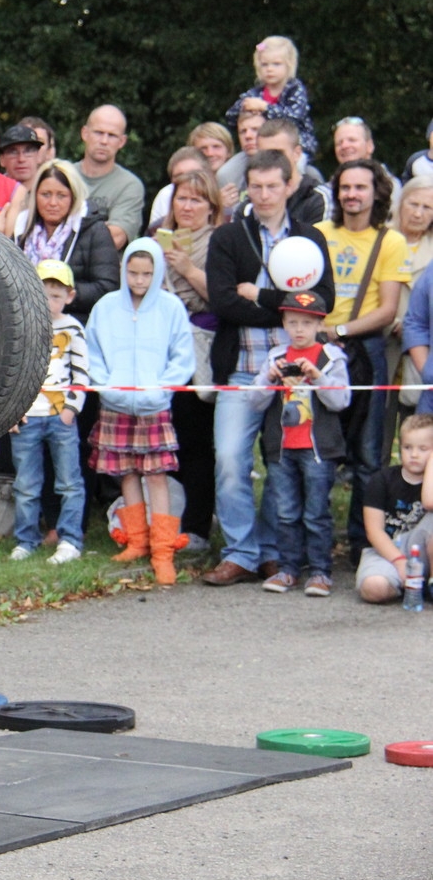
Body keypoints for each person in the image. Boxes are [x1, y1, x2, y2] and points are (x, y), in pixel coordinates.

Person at [200, 150, 335, 587]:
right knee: (230, 459)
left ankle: (275, 552)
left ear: (289, 185)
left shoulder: (310, 237)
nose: (263, 194)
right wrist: (288, 307)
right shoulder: (227, 237)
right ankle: (240, 551)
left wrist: (259, 296)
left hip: (297, 373)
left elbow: (323, 303)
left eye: (272, 186)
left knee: (284, 464)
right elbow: (222, 301)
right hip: (241, 368)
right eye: (255, 186)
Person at [86, 239, 195, 585]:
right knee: (126, 472)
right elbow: (92, 352)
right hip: (116, 402)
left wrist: (161, 388)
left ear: (157, 272)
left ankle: (163, 549)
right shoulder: (105, 307)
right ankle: (136, 540)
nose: (139, 281)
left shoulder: (171, 307)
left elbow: (182, 355)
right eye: (133, 273)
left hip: (154, 405)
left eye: (147, 274)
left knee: (156, 474)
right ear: (123, 271)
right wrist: (106, 385)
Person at [317, 159, 409, 562]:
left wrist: (339, 332)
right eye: (346, 187)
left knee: (369, 455)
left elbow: (387, 309)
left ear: (376, 193)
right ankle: (314, 548)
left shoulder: (390, 241)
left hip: (366, 349)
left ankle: (362, 544)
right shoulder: (319, 234)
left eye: (360, 187)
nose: (352, 194)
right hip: (315, 350)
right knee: (316, 451)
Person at [245, 292, 350, 596]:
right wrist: (269, 378)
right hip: (282, 449)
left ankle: (320, 572)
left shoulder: (331, 358)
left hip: (318, 450)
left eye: (306, 322)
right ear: (283, 323)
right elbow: (255, 400)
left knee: (316, 512)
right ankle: (288, 569)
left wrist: (317, 377)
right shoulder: (275, 356)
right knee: (286, 512)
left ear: (320, 323)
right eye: (293, 323)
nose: (299, 329)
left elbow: (341, 400)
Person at [155, 168, 223, 552]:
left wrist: (186, 269)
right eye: (182, 198)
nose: (188, 206)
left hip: (201, 347)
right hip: (162, 348)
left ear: (211, 206)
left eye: (197, 199)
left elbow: (221, 298)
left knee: (197, 442)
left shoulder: (220, 242)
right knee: (167, 439)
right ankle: (167, 520)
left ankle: (198, 523)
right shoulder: (155, 240)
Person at [8, 259, 89, 565]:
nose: (49, 300)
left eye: (57, 295)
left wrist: (71, 409)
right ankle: (25, 539)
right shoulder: (22, 326)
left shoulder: (73, 328)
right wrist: (12, 413)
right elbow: (12, 373)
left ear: (69, 296)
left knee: (69, 481)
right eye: (43, 293)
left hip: (60, 417)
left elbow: (82, 374)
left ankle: (70, 540)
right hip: (28, 417)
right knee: (26, 484)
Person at [14, 160, 120, 323]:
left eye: (61, 195)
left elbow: (107, 288)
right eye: (46, 194)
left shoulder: (94, 230)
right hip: (26, 324)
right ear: (35, 196)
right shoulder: (22, 228)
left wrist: (60, 294)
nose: (53, 203)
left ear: (73, 197)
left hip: (76, 324)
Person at [356, 414, 433, 604]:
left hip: (424, 549)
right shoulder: (382, 479)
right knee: (373, 588)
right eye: (407, 447)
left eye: (423, 449)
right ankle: (407, 587)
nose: (414, 454)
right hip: (389, 549)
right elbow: (374, 531)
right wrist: (399, 561)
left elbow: (429, 503)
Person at [224, 36, 318, 157]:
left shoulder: (295, 89)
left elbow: (293, 119)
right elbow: (231, 117)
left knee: (295, 168)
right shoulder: (256, 93)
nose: (269, 69)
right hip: (258, 148)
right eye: (264, 65)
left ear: (289, 65)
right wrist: (246, 107)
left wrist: (265, 108)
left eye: (276, 64)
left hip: (294, 148)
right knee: (227, 172)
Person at [78, 105, 146, 250]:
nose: (104, 141)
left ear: (122, 141)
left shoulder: (129, 185)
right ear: (85, 133)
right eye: (98, 132)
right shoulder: (63, 175)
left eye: (112, 135)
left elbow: (115, 238)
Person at [392, 177, 433, 415]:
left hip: (421, 350)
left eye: (427, 207)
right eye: (413, 204)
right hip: (385, 338)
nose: (418, 213)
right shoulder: (382, 239)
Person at [250, 119, 333, 227]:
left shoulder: (319, 199)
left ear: (297, 153)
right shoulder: (249, 205)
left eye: (278, 153)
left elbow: (317, 242)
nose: (270, 160)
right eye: (264, 154)